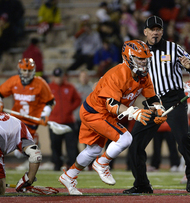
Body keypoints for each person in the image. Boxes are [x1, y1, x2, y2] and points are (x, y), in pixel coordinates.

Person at [58, 40, 167, 195]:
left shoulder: (143, 76)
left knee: (93, 150)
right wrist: (134, 112)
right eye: (140, 58)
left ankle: (69, 176)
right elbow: (112, 105)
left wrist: (159, 108)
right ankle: (102, 163)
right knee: (126, 138)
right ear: (128, 57)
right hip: (96, 112)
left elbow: (151, 97)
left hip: (98, 112)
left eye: (145, 59)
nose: (144, 62)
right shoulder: (117, 74)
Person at [124, 15, 190, 194]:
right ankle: (142, 184)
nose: (155, 32)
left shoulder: (174, 48)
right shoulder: (139, 50)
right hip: (152, 102)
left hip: (174, 99)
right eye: (152, 29)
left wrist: (189, 66)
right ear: (145, 32)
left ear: (162, 31)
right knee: (135, 142)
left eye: (158, 29)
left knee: (183, 139)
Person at [0, 58, 55, 169]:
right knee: (5, 140)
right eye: (24, 70)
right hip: (16, 119)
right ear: (19, 70)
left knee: (26, 147)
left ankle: (31, 162)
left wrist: (45, 113)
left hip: (31, 120)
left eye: (29, 71)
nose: (27, 73)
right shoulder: (14, 81)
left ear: (34, 71)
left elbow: (50, 102)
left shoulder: (40, 83)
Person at [48, 67, 82, 171]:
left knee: (71, 146)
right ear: (53, 77)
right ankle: (57, 165)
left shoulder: (70, 87)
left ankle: (72, 167)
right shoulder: (48, 88)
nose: (59, 79)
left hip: (69, 122)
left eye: (60, 77)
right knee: (55, 146)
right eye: (57, 77)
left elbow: (78, 100)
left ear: (64, 76)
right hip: (54, 122)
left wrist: (69, 109)